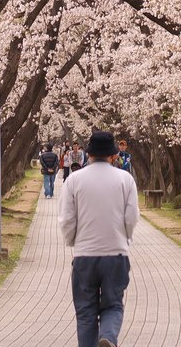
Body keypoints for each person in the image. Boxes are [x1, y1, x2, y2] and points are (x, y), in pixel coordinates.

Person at [58, 130, 139, 347]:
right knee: (113, 306)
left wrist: (73, 241)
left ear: (89, 155)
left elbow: (66, 220)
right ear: (113, 156)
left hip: (85, 255)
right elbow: (131, 217)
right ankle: (108, 337)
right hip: (116, 253)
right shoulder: (126, 179)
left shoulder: (74, 180)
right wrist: (125, 237)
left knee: (86, 313)